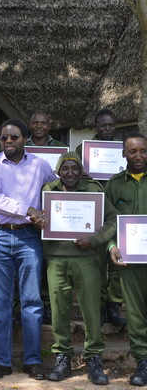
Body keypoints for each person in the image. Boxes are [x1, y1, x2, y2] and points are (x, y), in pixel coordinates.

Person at [0, 119, 56, 380]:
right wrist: (29, 210)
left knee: (32, 302)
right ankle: (1, 361)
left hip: (29, 238)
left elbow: (55, 190)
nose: (9, 142)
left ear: (25, 138)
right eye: (4, 138)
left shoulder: (40, 165)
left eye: (14, 137)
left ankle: (33, 361)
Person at [42, 152, 117, 385]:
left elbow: (113, 220)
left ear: (81, 170)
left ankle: (94, 358)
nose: (70, 173)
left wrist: (94, 240)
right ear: (58, 171)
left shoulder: (94, 190)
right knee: (59, 309)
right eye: (65, 169)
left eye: (75, 168)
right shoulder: (48, 190)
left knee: (91, 310)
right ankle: (62, 357)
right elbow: (37, 215)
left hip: (86, 258)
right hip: (56, 258)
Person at [76, 109, 126, 327]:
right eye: (103, 125)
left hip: (119, 207)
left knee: (117, 262)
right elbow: (72, 174)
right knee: (96, 262)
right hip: (93, 210)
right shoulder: (83, 149)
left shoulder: (122, 148)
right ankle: (99, 304)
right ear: (96, 125)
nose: (107, 129)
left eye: (111, 125)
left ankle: (114, 304)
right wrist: (82, 172)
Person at [107, 133, 147, 386]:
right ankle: (143, 361)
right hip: (131, 261)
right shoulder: (114, 185)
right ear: (123, 154)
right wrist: (111, 245)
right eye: (132, 151)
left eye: (143, 150)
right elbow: (109, 222)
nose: (139, 156)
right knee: (135, 313)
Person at [26, 110, 67, 325]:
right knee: (34, 262)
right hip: (28, 211)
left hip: (54, 211)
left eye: (43, 122)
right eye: (35, 123)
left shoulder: (60, 148)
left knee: (50, 260)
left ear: (49, 126)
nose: (39, 126)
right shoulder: (22, 147)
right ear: (30, 125)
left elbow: (67, 174)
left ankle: (49, 306)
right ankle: (31, 305)